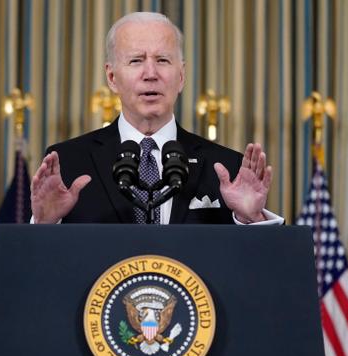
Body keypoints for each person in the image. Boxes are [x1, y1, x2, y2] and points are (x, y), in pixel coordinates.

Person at [31, 12, 283, 225]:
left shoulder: (226, 168)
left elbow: (254, 270)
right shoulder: (69, 163)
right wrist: (44, 223)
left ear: (181, 76)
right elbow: (41, 267)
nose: (150, 74)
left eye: (162, 60)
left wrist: (251, 218)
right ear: (111, 77)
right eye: (136, 60)